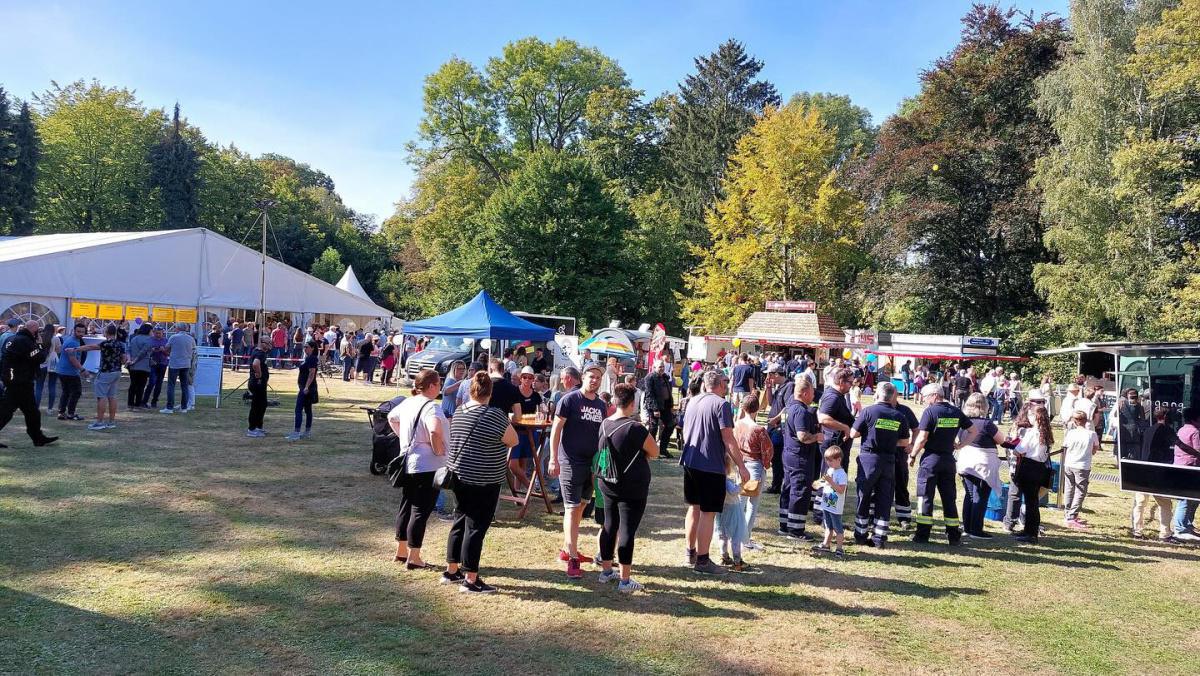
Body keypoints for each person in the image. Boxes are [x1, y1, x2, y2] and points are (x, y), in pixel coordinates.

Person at [443, 371, 519, 593]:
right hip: (484, 478)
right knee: (476, 527)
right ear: (490, 392)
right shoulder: (494, 415)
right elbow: (513, 440)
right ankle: (471, 578)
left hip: (459, 475)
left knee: (459, 521)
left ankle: (451, 570)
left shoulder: (460, 411)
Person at [679, 370, 750, 575]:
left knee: (693, 508)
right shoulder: (722, 404)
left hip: (690, 461)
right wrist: (741, 466)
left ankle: (690, 552)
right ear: (719, 384)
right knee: (707, 513)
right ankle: (702, 561)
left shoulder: (692, 401)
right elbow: (728, 438)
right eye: (726, 382)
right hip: (710, 465)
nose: (727, 386)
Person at [596, 382, 659, 592]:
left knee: (609, 525)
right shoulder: (635, 428)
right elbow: (655, 451)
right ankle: (624, 580)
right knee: (626, 531)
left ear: (615, 401)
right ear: (632, 404)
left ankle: (606, 571)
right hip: (632, 487)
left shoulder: (605, 423)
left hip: (608, 482)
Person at [548, 362, 607, 579]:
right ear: (583, 377)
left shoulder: (601, 405)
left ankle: (567, 549)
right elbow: (556, 429)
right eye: (591, 376)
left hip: (592, 465)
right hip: (571, 462)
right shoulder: (570, 400)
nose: (594, 380)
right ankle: (572, 559)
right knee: (572, 509)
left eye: (598, 378)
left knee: (582, 506)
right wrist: (554, 459)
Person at [388, 368, 448, 571]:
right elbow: (434, 429)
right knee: (420, 509)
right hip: (427, 464)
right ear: (431, 386)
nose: (440, 387)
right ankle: (414, 556)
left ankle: (402, 550)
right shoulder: (431, 407)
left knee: (407, 504)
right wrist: (438, 448)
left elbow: (391, 417)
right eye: (438, 384)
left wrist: (404, 440)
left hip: (409, 462)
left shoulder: (408, 402)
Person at [908, 383, 976, 545]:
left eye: (926, 397)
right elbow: (974, 431)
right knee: (949, 498)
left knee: (925, 496)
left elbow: (923, 438)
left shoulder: (930, 412)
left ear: (935, 395)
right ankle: (953, 536)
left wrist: (912, 455)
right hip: (948, 460)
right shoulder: (956, 411)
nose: (925, 401)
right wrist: (961, 445)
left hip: (931, 459)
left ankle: (922, 535)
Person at [849, 382, 911, 547]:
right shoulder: (899, 416)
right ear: (892, 397)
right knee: (884, 498)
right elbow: (905, 441)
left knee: (864, 496)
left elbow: (853, 433)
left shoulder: (868, 411)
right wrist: (890, 441)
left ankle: (861, 535)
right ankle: (879, 537)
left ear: (878, 394)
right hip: (889, 460)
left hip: (869, 459)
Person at [0, 319, 59, 447]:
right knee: (6, 411)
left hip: (13, 379)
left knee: (31, 412)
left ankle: (38, 437)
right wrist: (40, 345)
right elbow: (39, 357)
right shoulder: (25, 341)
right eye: (38, 331)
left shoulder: (12, 339)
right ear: (34, 330)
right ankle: (37, 437)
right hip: (20, 382)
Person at [956, 393, 1005, 538]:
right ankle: (976, 529)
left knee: (970, 495)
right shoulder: (986, 424)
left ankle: (967, 527)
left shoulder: (963, 422)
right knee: (980, 496)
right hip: (982, 464)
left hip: (965, 461)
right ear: (984, 406)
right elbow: (1001, 440)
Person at [1132, 407, 1178, 541]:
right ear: (1166, 416)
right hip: (1157, 471)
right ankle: (1165, 534)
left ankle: (1137, 532)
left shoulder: (1148, 429)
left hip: (1143, 470)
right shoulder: (1166, 430)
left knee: (1140, 502)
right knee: (1165, 504)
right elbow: (1178, 444)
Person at [732, 393, 772, 549]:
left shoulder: (737, 424)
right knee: (752, 505)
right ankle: (745, 539)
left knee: (739, 502)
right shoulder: (759, 429)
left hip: (740, 465)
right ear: (757, 409)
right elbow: (767, 450)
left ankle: (735, 535)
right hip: (754, 466)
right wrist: (767, 464)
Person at [71, 324, 127, 431]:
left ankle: (100, 422)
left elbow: (90, 347)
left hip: (105, 372)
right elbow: (124, 360)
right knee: (112, 397)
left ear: (106, 332)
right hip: (117, 372)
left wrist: (75, 349)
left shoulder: (105, 343)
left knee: (101, 397)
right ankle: (111, 422)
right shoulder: (120, 344)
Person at [1011, 405, 1053, 544]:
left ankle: (1031, 533)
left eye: (1030, 415)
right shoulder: (1046, 433)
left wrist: (1016, 448)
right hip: (1040, 468)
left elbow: (1019, 450)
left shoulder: (1032, 432)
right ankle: (1029, 529)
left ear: (1036, 417)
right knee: (1032, 501)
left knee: (1031, 502)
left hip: (1029, 466)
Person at [1062, 410, 1100, 529]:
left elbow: (1065, 446)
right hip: (1082, 466)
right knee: (1080, 491)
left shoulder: (1070, 433)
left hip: (1069, 463)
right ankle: (1072, 515)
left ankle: (1068, 513)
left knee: (1069, 489)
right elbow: (1095, 449)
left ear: (1074, 421)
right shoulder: (1091, 434)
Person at [818, 368, 856, 480]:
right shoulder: (832, 397)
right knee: (831, 479)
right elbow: (823, 418)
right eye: (850, 382)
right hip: (833, 444)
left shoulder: (838, 395)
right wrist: (845, 427)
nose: (851, 385)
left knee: (836, 478)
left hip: (836, 443)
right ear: (841, 382)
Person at [510, 366, 543, 491]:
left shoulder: (536, 396)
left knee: (523, 462)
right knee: (513, 464)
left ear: (533, 379)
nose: (527, 380)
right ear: (520, 378)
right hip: (515, 431)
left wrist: (541, 412)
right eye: (524, 377)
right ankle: (529, 486)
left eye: (530, 378)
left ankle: (516, 492)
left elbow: (541, 411)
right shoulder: (514, 392)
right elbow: (509, 411)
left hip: (530, 431)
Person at [715, 455, 751, 571]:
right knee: (736, 536)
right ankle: (737, 561)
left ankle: (724, 556)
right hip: (733, 511)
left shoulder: (717, 481)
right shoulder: (727, 482)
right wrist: (741, 485)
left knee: (723, 535)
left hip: (722, 510)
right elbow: (733, 491)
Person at [811, 445, 848, 556]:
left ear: (839, 460)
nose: (828, 463)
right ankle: (826, 544)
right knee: (828, 525)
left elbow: (841, 490)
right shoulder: (830, 470)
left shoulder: (842, 474)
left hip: (835, 506)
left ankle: (839, 548)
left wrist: (831, 481)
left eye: (830, 461)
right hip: (827, 503)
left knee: (838, 528)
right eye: (826, 460)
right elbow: (826, 482)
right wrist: (820, 483)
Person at [763, 364, 793, 494]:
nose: (767, 377)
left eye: (769, 374)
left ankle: (777, 485)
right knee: (774, 457)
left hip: (779, 428)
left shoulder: (789, 386)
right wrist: (768, 388)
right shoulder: (779, 387)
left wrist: (776, 419)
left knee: (778, 457)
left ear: (776, 374)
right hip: (773, 426)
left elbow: (788, 407)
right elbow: (771, 403)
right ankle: (776, 484)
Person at [1171, 407, 1200, 541]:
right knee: (1186, 499)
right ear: (1195, 419)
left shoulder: (1182, 429)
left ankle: (1186, 524)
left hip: (1179, 465)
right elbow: (1198, 450)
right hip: (1191, 467)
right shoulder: (1195, 432)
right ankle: (1180, 528)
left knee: (1192, 499)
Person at [642, 359, 676, 460]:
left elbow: (669, 392)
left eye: (663, 366)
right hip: (654, 406)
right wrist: (655, 409)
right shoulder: (650, 377)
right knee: (653, 428)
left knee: (670, 424)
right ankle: (649, 450)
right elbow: (649, 394)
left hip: (665, 406)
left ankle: (663, 449)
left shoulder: (665, 377)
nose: (662, 368)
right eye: (660, 367)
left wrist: (671, 406)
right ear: (654, 367)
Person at [288, 340, 320, 441]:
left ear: (312, 348)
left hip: (307, 388)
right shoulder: (308, 358)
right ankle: (306, 432)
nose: (304, 348)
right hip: (305, 387)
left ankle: (297, 432)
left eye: (306, 347)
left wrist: (306, 387)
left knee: (298, 409)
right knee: (307, 409)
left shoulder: (312, 359)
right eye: (304, 347)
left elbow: (312, 374)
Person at [161, 323, 196, 414]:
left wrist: (164, 350)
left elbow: (166, 348)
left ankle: (169, 407)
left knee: (171, 385)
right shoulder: (191, 338)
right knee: (184, 386)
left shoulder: (173, 337)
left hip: (175, 364)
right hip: (186, 364)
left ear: (178, 328)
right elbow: (193, 351)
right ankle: (184, 407)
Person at [54, 323, 86, 421]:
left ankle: (61, 412)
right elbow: (73, 359)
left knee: (66, 392)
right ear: (74, 331)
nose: (80, 333)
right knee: (76, 392)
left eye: (82, 332)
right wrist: (83, 369)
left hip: (63, 370)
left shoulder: (71, 339)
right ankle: (70, 413)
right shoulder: (73, 342)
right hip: (69, 372)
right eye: (78, 331)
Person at [246, 339, 271, 437]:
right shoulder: (260, 353)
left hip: (259, 383)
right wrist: (259, 374)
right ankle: (251, 429)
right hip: (257, 383)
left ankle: (258, 426)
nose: (270, 345)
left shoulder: (257, 351)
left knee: (263, 405)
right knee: (256, 406)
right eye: (268, 343)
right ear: (262, 343)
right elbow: (255, 364)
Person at [126, 324, 153, 410]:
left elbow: (128, 349)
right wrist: (135, 360)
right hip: (143, 365)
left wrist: (130, 360)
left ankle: (130, 404)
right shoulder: (149, 340)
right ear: (148, 331)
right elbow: (143, 352)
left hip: (133, 366)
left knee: (133, 385)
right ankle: (137, 404)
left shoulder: (134, 338)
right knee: (141, 386)